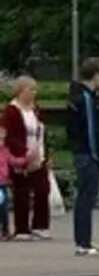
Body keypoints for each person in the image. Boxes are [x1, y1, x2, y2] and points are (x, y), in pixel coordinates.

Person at [67, 58, 99, 257]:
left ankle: (84, 240)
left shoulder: (83, 96)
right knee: (86, 199)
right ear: (96, 74)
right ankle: (83, 243)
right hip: (87, 155)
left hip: (81, 153)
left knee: (85, 199)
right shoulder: (85, 98)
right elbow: (92, 130)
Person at [3, 76, 51, 240]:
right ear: (21, 90)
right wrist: (25, 153)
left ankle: (40, 225)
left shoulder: (36, 109)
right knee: (22, 192)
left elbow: (43, 131)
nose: (34, 93)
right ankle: (21, 228)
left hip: (39, 155)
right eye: (31, 89)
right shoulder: (11, 111)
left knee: (43, 189)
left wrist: (47, 154)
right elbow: (9, 136)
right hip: (21, 157)